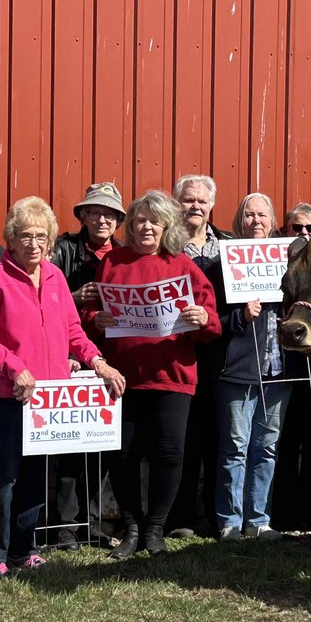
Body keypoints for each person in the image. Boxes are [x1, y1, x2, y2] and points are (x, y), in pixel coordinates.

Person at [0, 197, 126, 574]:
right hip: (10, 395)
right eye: (25, 236)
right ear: (11, 239)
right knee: (6, 478)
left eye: (41, 236)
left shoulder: (53, 277)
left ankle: (25, 550)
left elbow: (72, 331)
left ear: (50, 240)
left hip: (50, 400)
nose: (34, 244)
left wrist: (97, 361)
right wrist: (14, 367)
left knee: (37, 479)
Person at [84, 190, 221, 558]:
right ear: (130, 225)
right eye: (141, 220)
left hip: (171, 376)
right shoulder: (113, 261)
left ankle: (156, 529)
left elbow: (212, 325)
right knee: (123, 453)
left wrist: (202, 319)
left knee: (168, 454)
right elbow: (89, 315)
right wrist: (95, 320)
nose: (147, 227)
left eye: (155, 221)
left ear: (166, 227)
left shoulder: (181, 265)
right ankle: (131, 527)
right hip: (122, 376)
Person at [214, 193, 296, 541]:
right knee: (235, 446)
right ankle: (230, 521)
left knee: (266, 446)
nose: (256, 221)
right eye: (249, 215)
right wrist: (239, 316)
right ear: (239, 221)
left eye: (263, 215)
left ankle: (259, 520)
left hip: (279, 370)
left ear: (273, 220)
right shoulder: (222, 262)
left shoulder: (288, 261)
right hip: (238, 371)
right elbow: (211, 319)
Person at [49, 181, 126, 549]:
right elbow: (41, 295)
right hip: (69, 358)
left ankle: (89, 521)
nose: (101, 219)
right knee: (67, 446)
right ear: (82, 215)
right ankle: (64, 527)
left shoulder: (124, 256)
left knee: (102, 445)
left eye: (109, 213)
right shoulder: (63, 249)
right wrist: (73, 295)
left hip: (109, 361)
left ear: (118, 220)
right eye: (94, 211)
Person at [166, 175, 228, 538]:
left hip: (222, 353)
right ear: (177, 204)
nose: (195, 206)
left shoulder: (229, 248)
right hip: (176, 354)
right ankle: (181, 516)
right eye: (188, 200)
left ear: (211, 206)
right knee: (184, 438)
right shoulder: (166, 248)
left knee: (218, 437)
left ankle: (217, 515)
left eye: (202, 201)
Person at [271, 203, 311, 533]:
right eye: (297, 228)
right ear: (286, 232)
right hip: (283, 360)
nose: (304, 234)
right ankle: (281, 511)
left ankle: (310, 508)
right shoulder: (277, 264)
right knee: (284, 437)